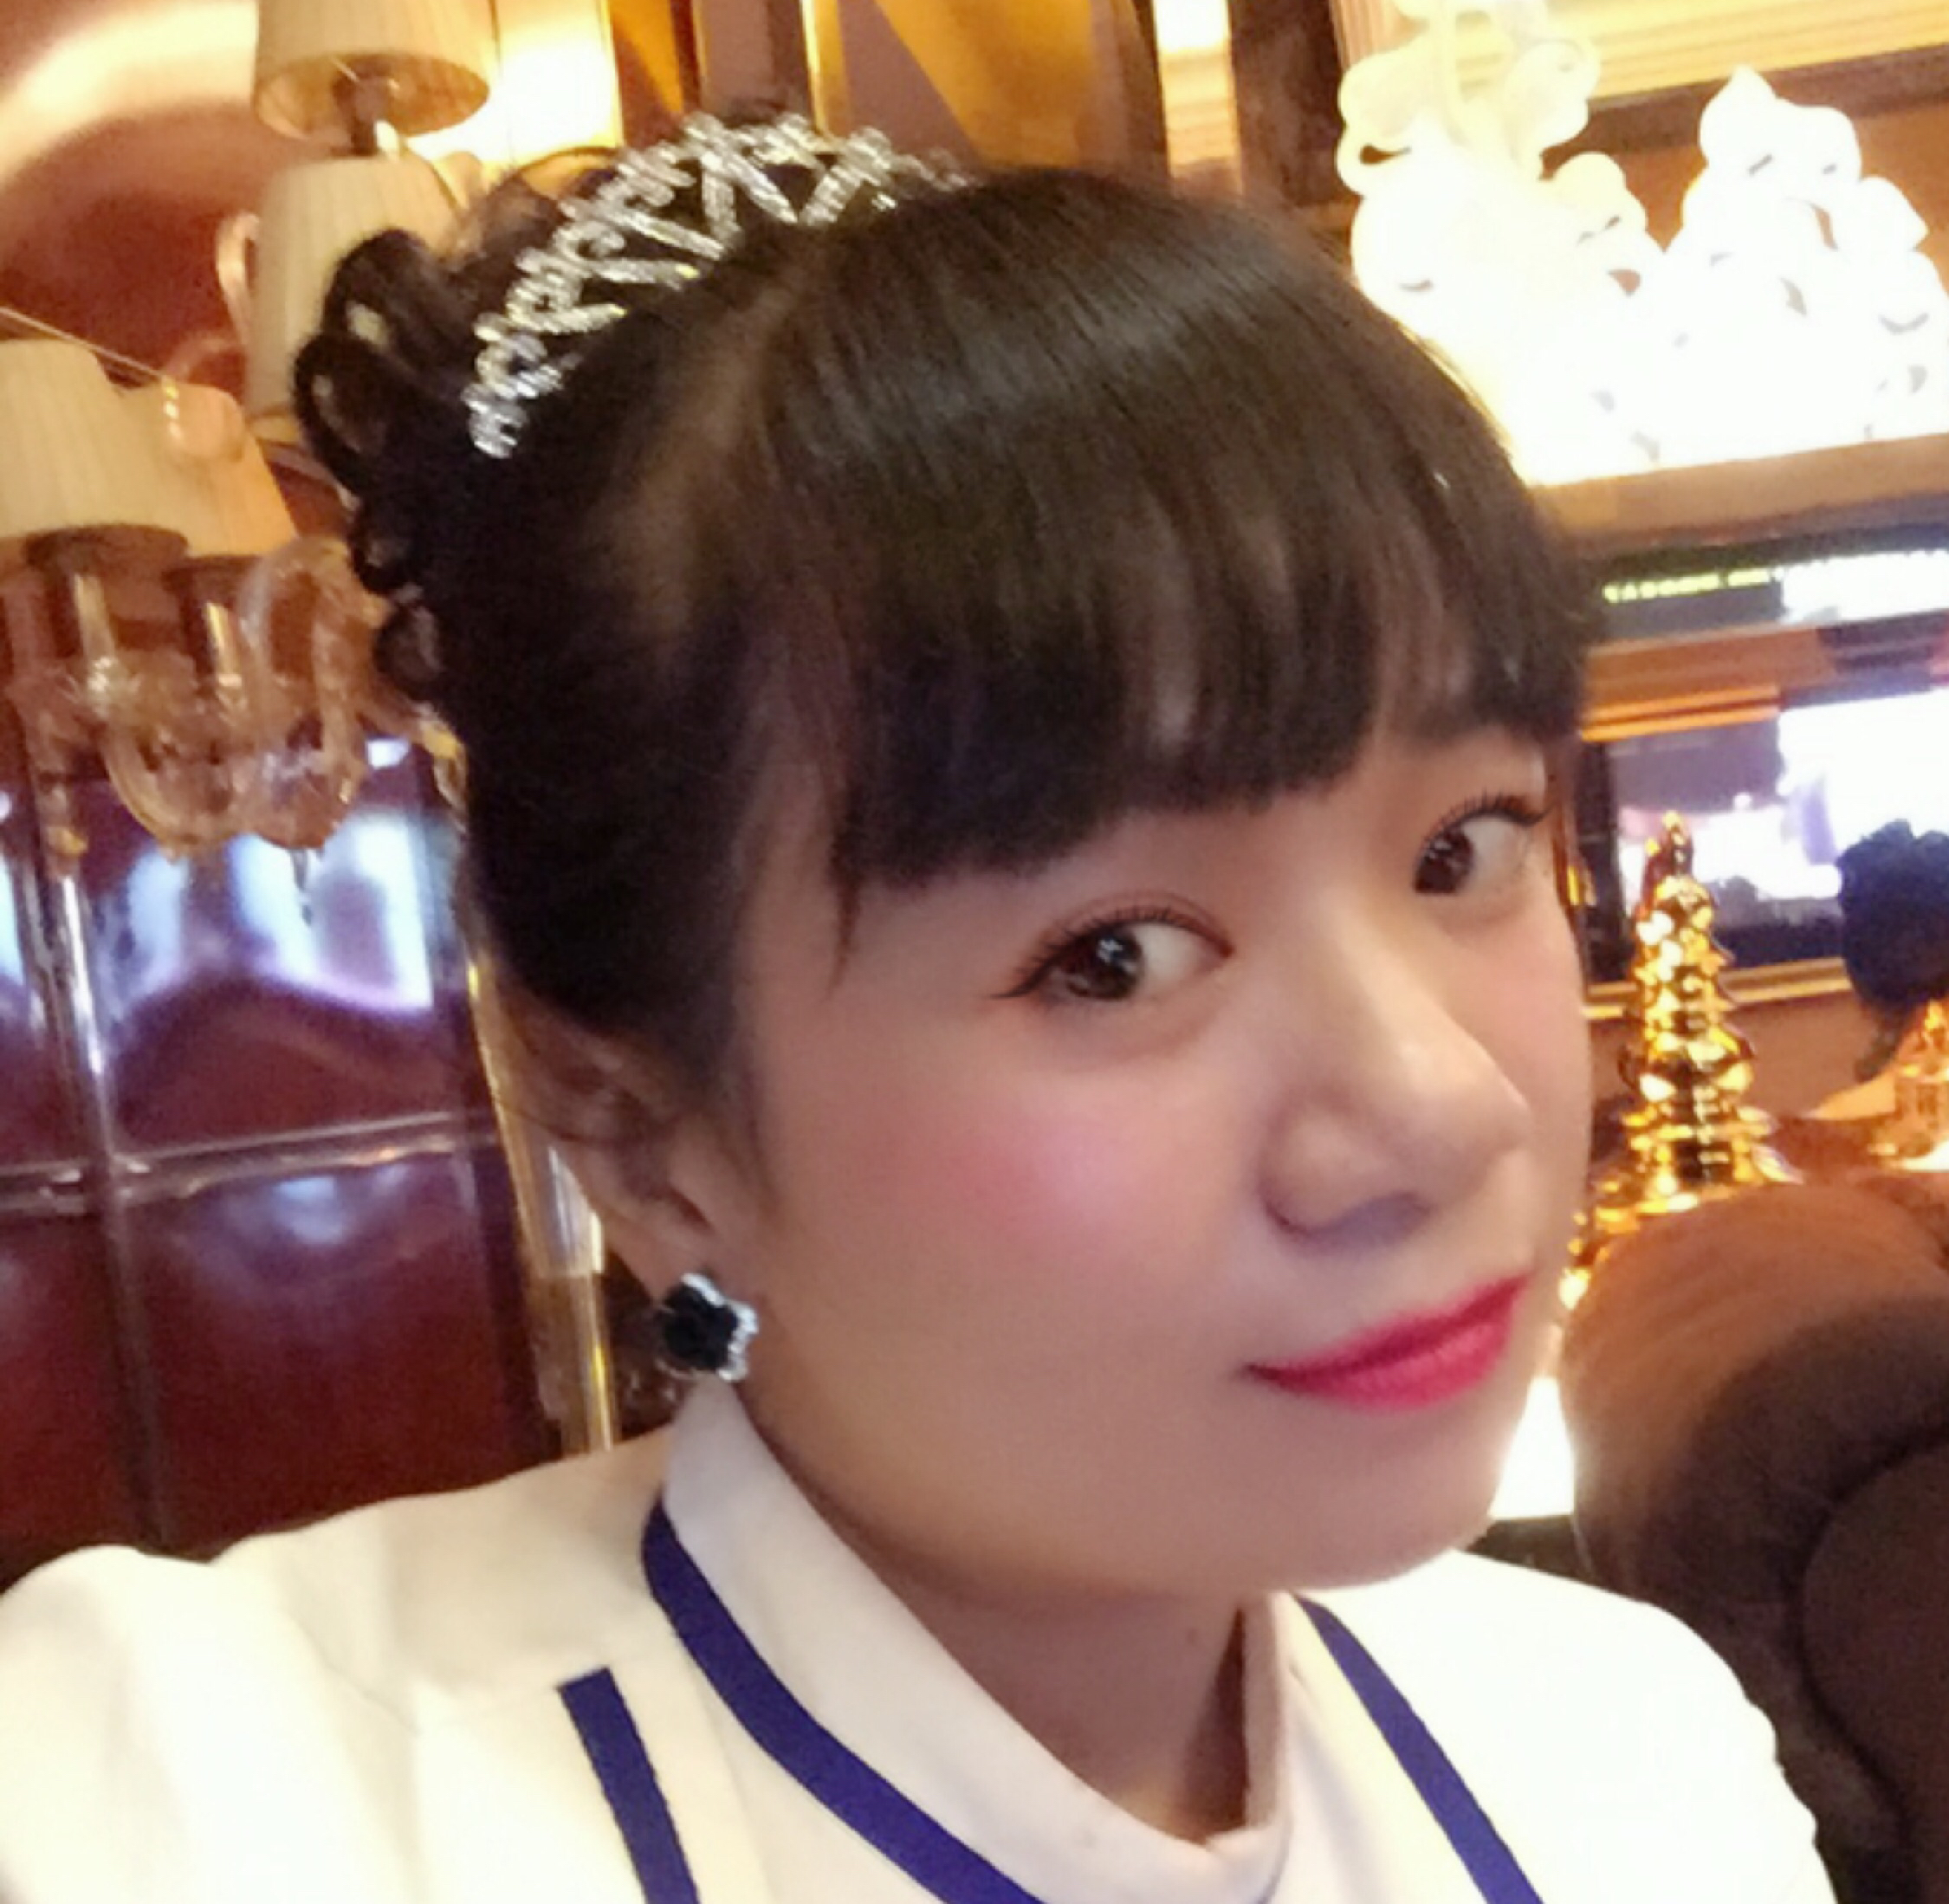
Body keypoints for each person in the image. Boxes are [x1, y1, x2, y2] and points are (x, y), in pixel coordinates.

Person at [0, 111, 1834, 1904]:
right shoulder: (201, 1800)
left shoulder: (1614, 1754)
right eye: (1114, 956)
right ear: (640, 1132)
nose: (1440, 1107)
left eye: (1463, 847)